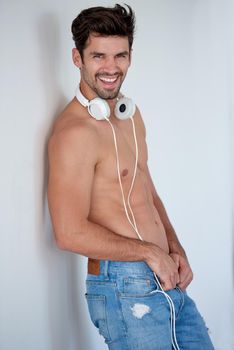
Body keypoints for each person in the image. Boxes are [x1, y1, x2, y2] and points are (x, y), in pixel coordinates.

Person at [47, 4, 214, 349]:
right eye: (98, 56)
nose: (111, 68)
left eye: (120, 56)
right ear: (77, 58)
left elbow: (147, 191)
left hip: (165, 275)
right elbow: (68, 233)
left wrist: (174, 247)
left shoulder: (128, 115)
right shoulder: (74, 133)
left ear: (130, 56)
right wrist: (150, 253)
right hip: (124, 285)